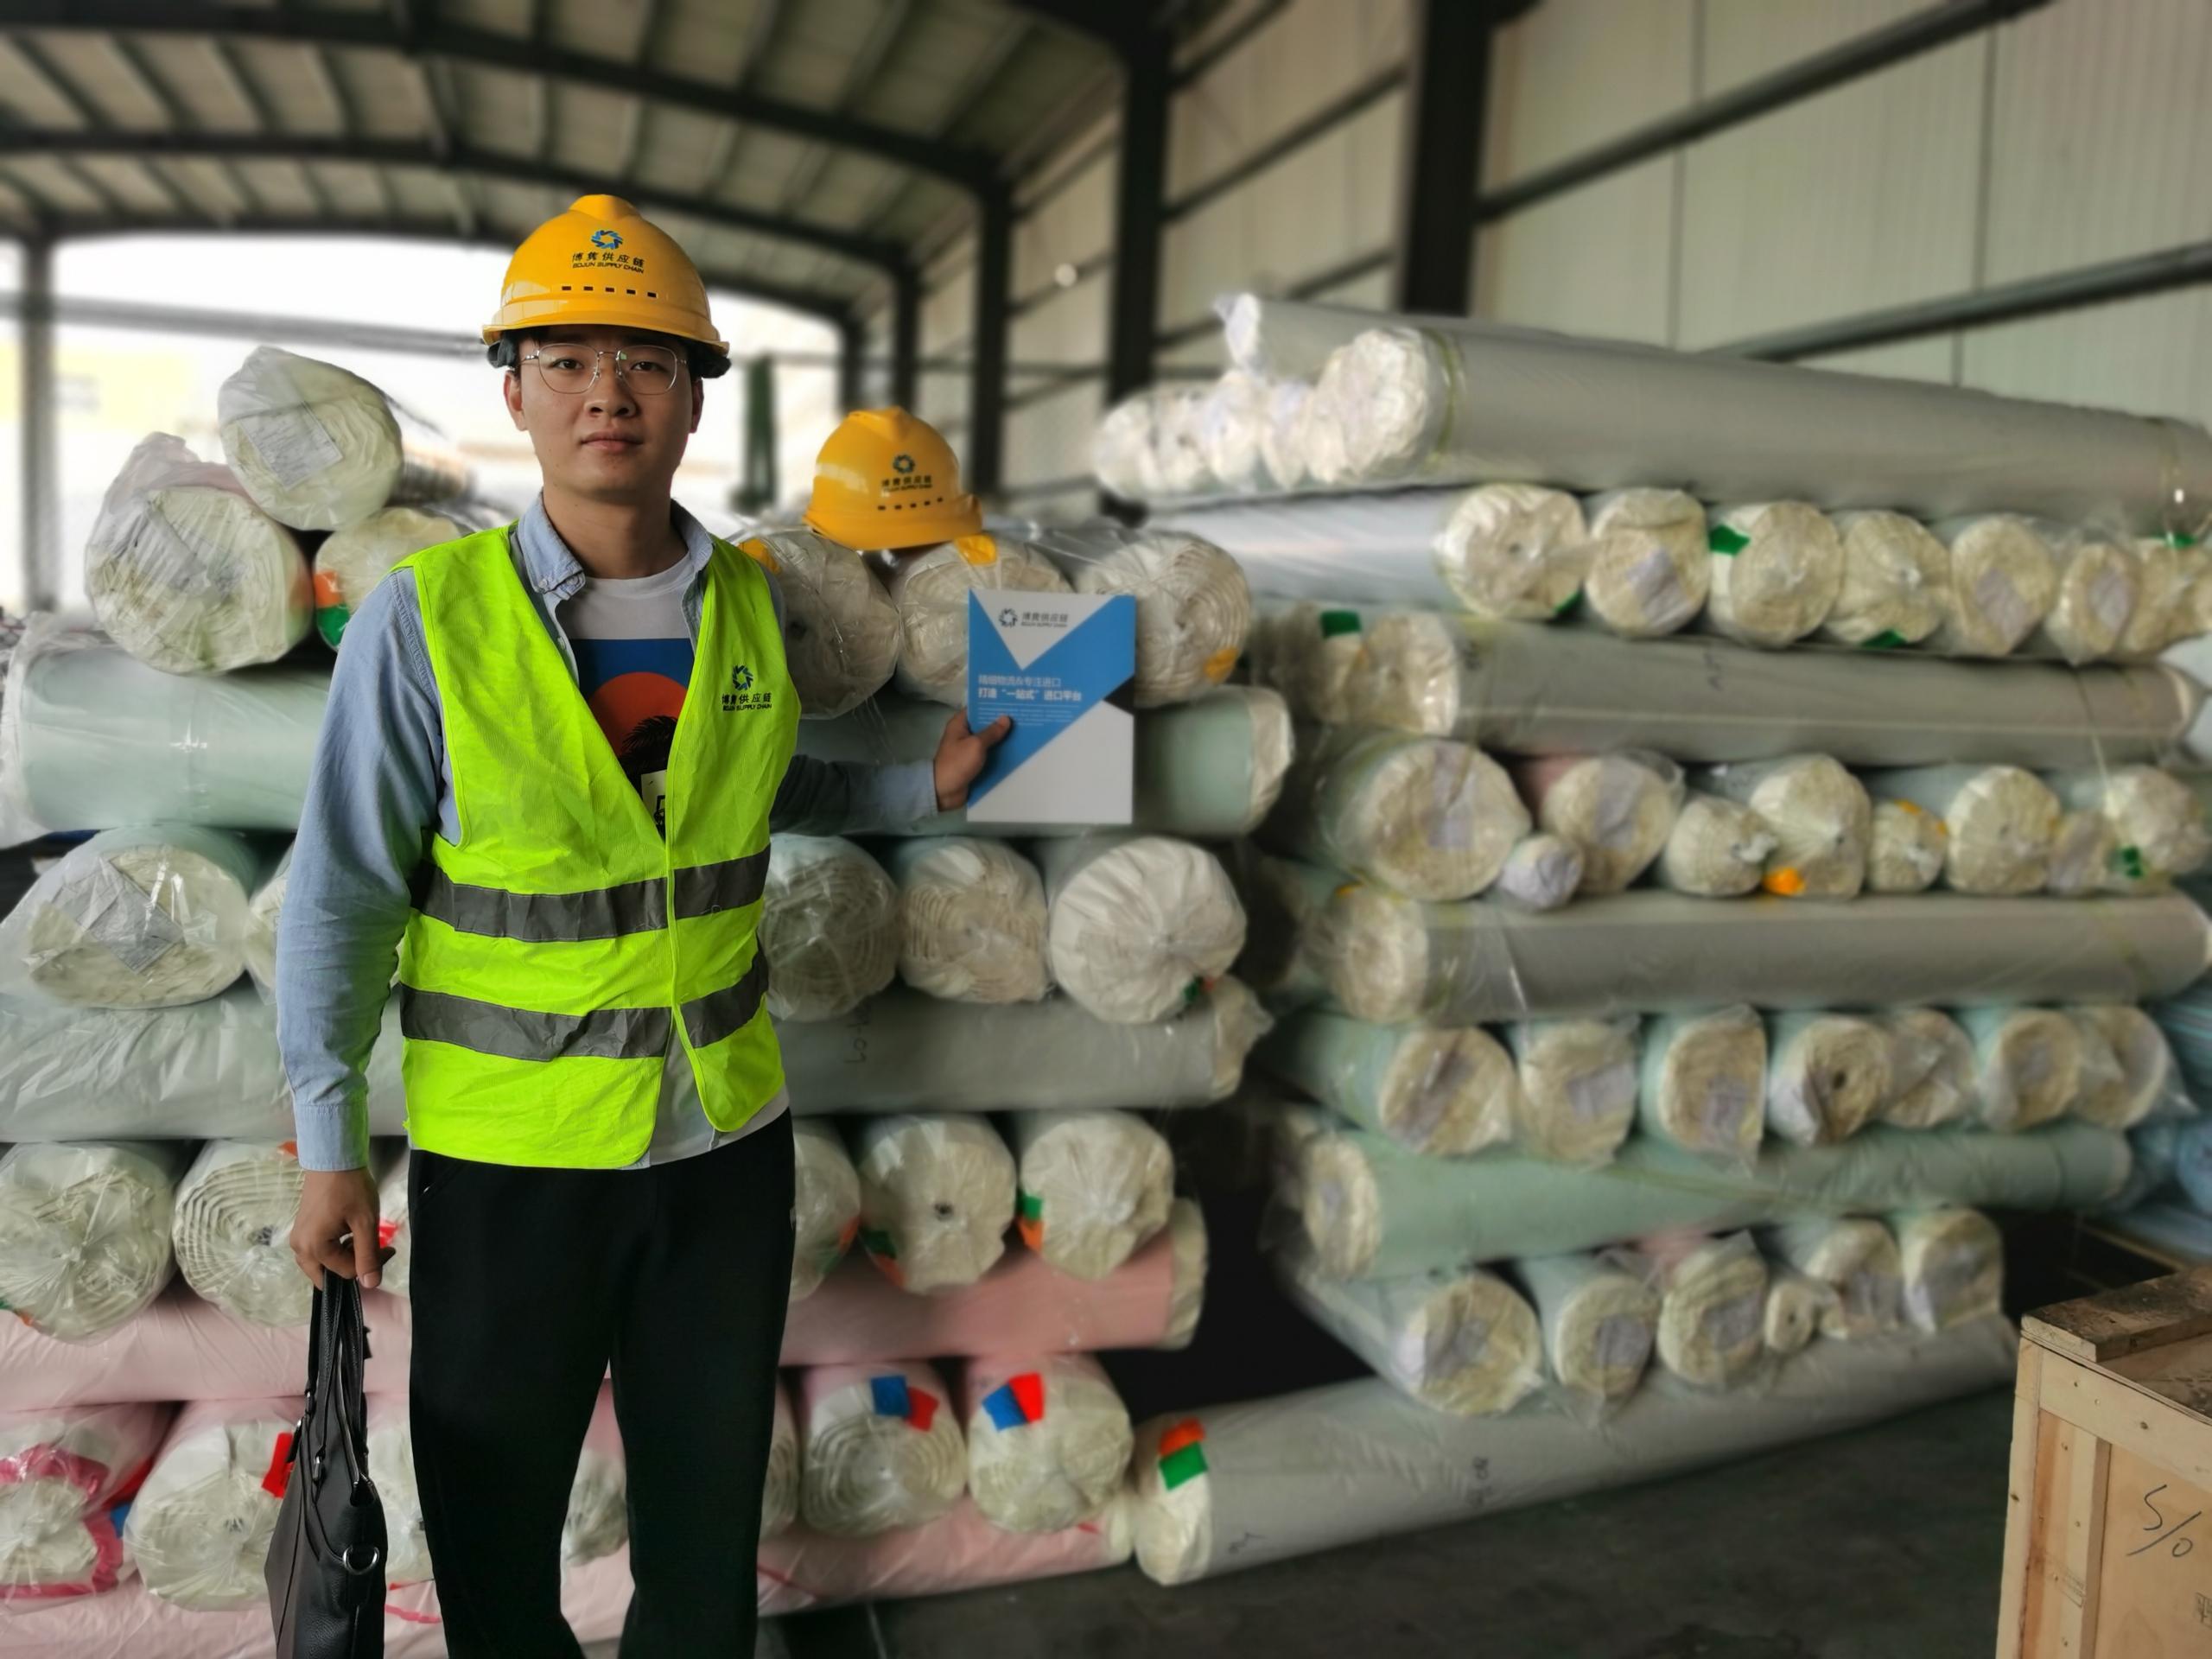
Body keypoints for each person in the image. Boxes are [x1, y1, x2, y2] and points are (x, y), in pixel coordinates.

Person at [280, 194, 1007, 1656]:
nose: (606, 391)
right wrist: (325, 1143)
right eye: (566, 361)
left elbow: (753, 787)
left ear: (694, 397)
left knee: (704, 1532)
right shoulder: (431, 620)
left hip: (721, 1152)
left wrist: (914, 788)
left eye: (647, 362)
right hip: (512, 1164)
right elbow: (344, 889)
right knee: (495, 1541)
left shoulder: (749, 603)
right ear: (515, 392)